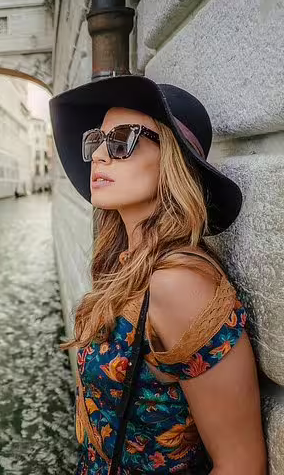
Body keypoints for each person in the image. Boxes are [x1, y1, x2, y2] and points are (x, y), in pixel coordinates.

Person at [49, 76, 266, 474]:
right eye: (97, 140)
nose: (99, 154)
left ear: (172, 159)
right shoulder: (125, 261)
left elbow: (241, 463)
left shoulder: (179, 283)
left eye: (122, 140)